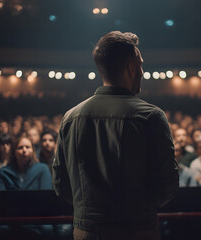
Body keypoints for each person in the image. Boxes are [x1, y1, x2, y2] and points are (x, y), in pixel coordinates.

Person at [53, 31, 179, 240]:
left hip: (87, 232)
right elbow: (168, 184)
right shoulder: (150, 117)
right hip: (139, 231)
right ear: (131, 68)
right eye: (140, 65)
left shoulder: (71, 118)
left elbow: (60, 183)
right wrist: (141, 210)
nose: (142, 72)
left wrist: (91, 213)